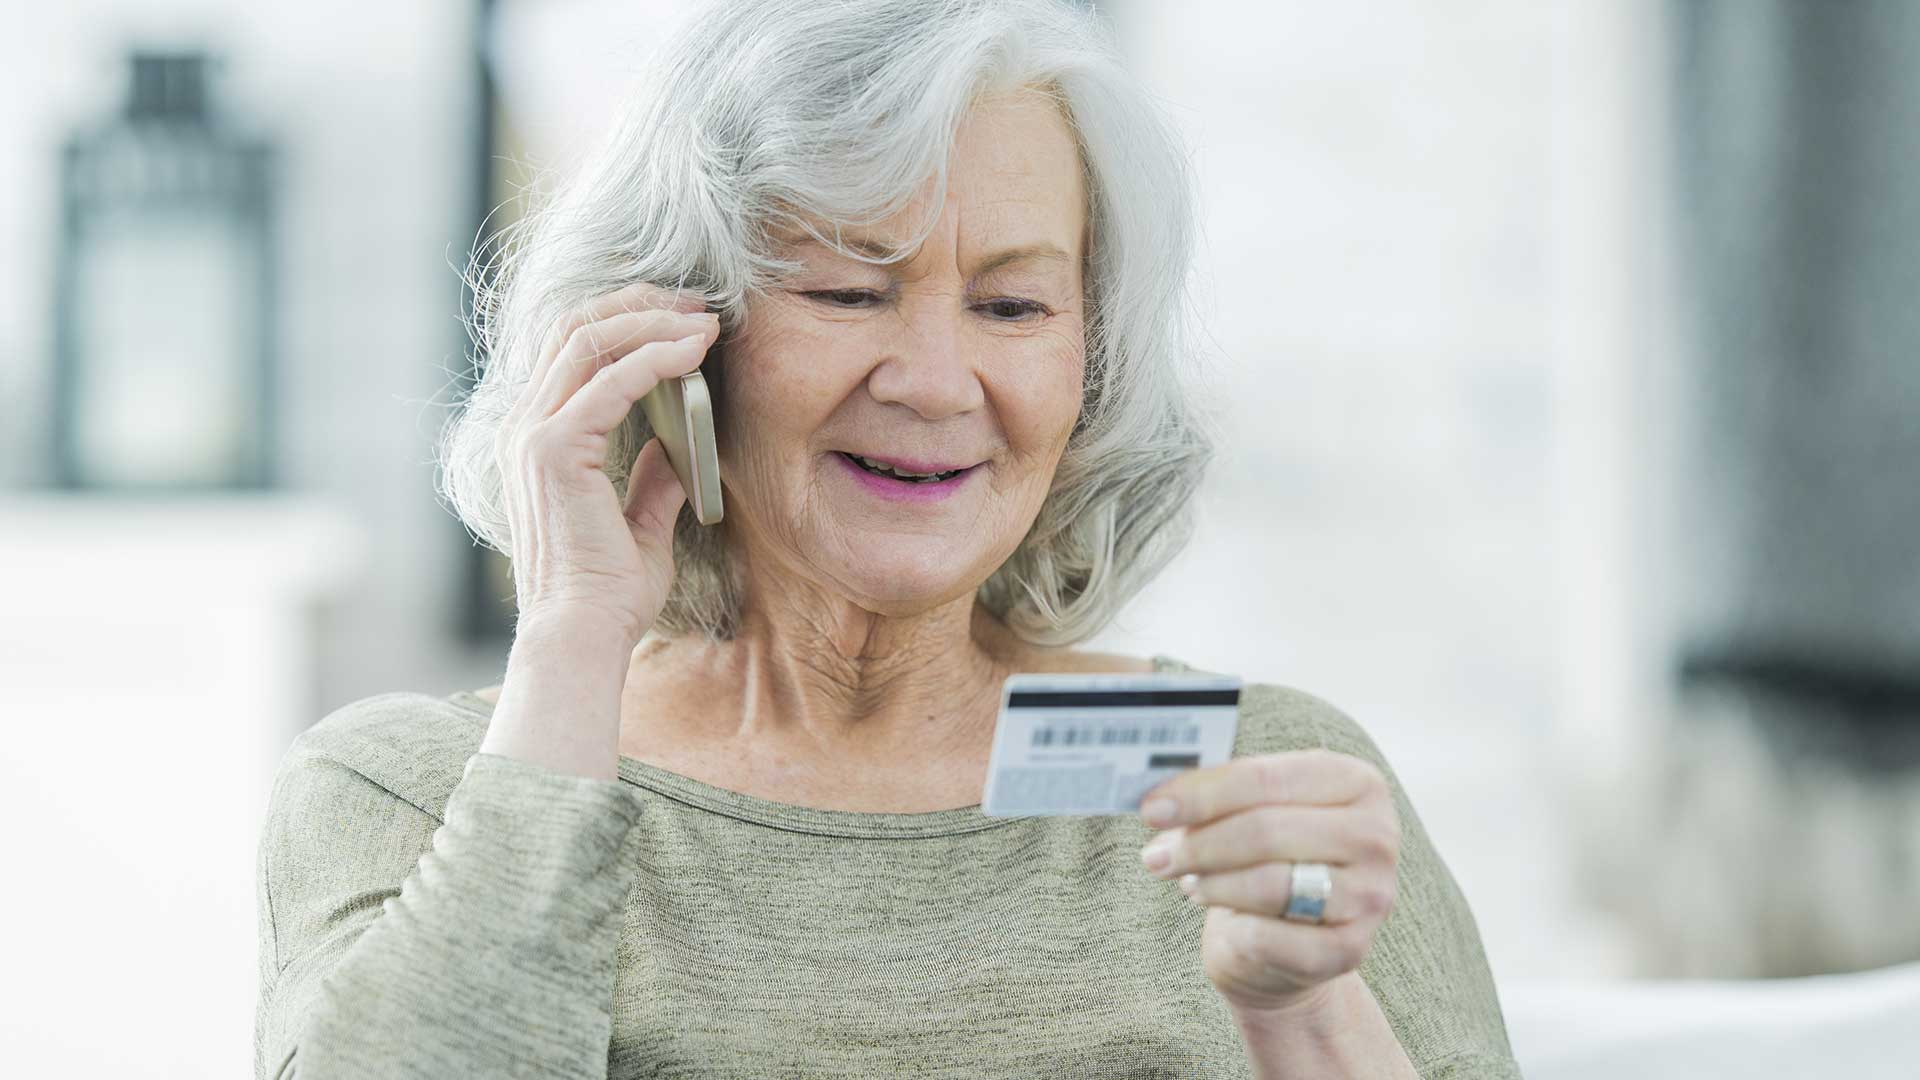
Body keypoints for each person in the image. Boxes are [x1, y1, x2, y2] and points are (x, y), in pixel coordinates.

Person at [253, 1, 1520, 1076]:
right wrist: (577, 635)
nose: (934, 379)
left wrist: (1299, 1010)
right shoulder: (406, 795)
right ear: (675, 344)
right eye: (847, 290)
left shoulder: (1257, 782)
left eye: (1013, 304)